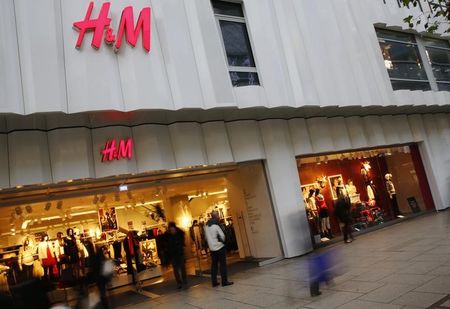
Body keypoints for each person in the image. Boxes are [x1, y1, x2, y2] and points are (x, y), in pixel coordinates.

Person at [204, 210, 233, 287]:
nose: (219, 216)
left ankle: (214, 282)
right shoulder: (216, 225)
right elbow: (222, 236)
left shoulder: (206, 226)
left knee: (214, 266)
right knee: (222, 265)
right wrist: (223, 242)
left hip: (212, 249)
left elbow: (206, 238)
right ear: (216, 216)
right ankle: (224, 281)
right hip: (220, 247)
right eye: (218, 215)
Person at [165, 222, 187, 289]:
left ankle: (184, 279)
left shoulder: (180, 233)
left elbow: (182, 242)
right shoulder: (167, 235)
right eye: (171, 230)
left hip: (180, 253)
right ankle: (179, 282)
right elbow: (166, 245)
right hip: (172, 254)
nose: (172, 231)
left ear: (175, 228)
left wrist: (182, 246)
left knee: (182, 267)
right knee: (175, 269)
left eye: (173, 229)